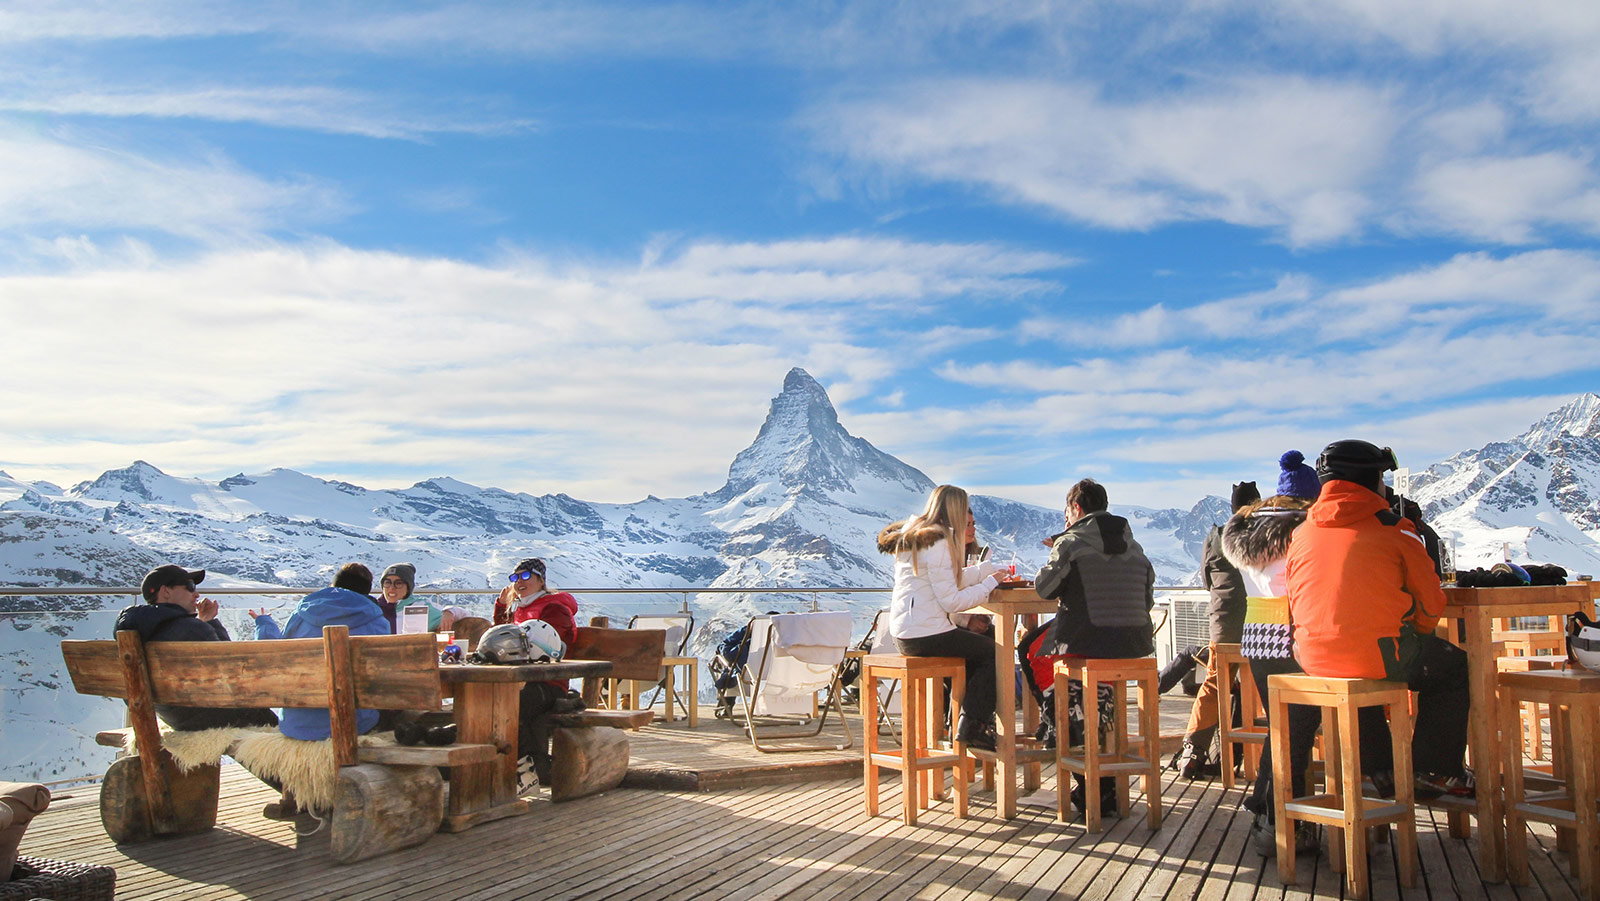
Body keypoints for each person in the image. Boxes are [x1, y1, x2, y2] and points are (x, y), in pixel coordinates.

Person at [1286, 439, 1472, 800]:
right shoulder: (1394, 527)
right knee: (1451, 667)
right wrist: (1415, 633)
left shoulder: (1302, 532)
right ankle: (1433, 771)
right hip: (1375, 654)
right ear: (1371, 480)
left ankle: (1381, 771)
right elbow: (1432, 602)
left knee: (1361, 670)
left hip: (1311, 657)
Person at [1034, 478, 1156, 818]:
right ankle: (1099, 760)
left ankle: (1066, 740)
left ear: (1076, 508)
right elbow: (1146, 599)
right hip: (1134, 646)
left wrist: (1057, 549)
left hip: (1087, 641)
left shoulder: (1071, 542)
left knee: (1034, 652)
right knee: (1089, 680)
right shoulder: (1136, 546)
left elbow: (1044, 589)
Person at [877, 485, 1004, 750]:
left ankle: (962, 724)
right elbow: (952, 600)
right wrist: (988, 584)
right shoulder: (938, 542)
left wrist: (983, 572)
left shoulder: (918, 537)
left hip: (907, 631)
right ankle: (973, 725)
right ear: (956, 511)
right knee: (993, 653)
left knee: (977, 650)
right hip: (926, 634)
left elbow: (947, 580)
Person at [114, 565, 279, 731]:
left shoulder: (136, 630)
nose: (196, 594)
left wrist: (203, 621)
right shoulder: (192, 629)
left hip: (174, 717)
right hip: (212, 718)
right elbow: (235, 672)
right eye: (189, 587)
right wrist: (210, 623)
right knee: (270, 724)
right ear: (165, 592)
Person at [1173, 479, 1261, 779]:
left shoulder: (1217, 537)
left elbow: (1206, 581)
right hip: (1262, 626)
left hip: (1224, 626)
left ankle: (1192, 753)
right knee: (1259, 686)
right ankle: (1254, 756)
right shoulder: (1266, 535)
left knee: (1214, 684)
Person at [250, 563, 391, 741]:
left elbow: (273, 656)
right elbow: (384, 672)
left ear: (333, 585)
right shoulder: (376, 620)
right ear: (366, 592)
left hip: (297, 724)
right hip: (354, 724)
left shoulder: (301, 614)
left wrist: (264, 624)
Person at [490, 557, 581, 789]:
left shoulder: (553, 607)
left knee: (511, 704)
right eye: (515, 577)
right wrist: (501, 607)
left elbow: (556, 645)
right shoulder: (520, 608)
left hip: (549, 683)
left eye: (525, 576)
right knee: (490, 700)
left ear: (541, 580)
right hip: (523, 681)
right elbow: (501, 638)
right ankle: (509, 766)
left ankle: (531, 766)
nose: (519, 582)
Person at [380, 562, 467, 633]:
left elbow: (467, 617)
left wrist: (450, 612)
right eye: (387, 582)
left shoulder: (420, 607)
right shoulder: (374, 609)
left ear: (408, 587)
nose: (391, 587)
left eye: (398, 583)